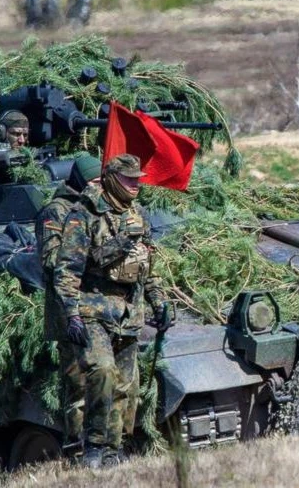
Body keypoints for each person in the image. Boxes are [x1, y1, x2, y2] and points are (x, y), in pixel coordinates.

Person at [53, 154, 172, 468]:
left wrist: (158, 301)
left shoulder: (138, 215)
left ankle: (113, 451)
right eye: (129, 179)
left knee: (124, 384)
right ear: (110, 180)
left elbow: (149, 266)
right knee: (102, 372)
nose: (136, 185)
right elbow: (68, 269)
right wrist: (72, 314)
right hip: (93, 310)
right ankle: (92, 445)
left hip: (129, 313)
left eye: (138, 179)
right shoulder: (85, 215)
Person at [35, 152, 102, 448]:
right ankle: (78, 446)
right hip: (68, 311)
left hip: (99, 309)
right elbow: (50, 259)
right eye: (97, 181)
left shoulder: (97, 207)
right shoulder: (56, 211)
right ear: (83, 182)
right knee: (78, 384)